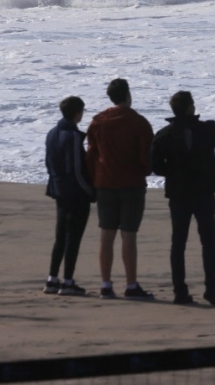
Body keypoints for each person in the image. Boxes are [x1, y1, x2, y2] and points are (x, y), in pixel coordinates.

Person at [150, 90, 215, 306]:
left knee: (178, 243)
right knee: (208, 242)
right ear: (190, 108)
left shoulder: (164, 134)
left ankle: (180, 291)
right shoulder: (206, 130)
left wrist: (171, 171)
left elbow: (155, 164)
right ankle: (212, 290)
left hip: (179, 193)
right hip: (203, 192)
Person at [85, 78, 155, 300]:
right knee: (129, 235)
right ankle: (131, 285)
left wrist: (91, 180)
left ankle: (106, 284)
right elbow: (146, 157)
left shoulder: (98, 121)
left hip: (105, 183)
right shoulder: (139, 122)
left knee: (106, 234)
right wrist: (145, 170)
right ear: (128, 95)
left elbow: (91, 155)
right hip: (131, 184)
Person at [43, 95, 95, 297]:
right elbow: (76, 170)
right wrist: (90, 191)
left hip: (58, 190)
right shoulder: (72, 136)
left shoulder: (52, 133)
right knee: (73, 238)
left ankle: (52, 278)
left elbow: (48, 164)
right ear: (77, 113)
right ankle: (68, 282)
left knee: (60, 237)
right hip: (75, 193)